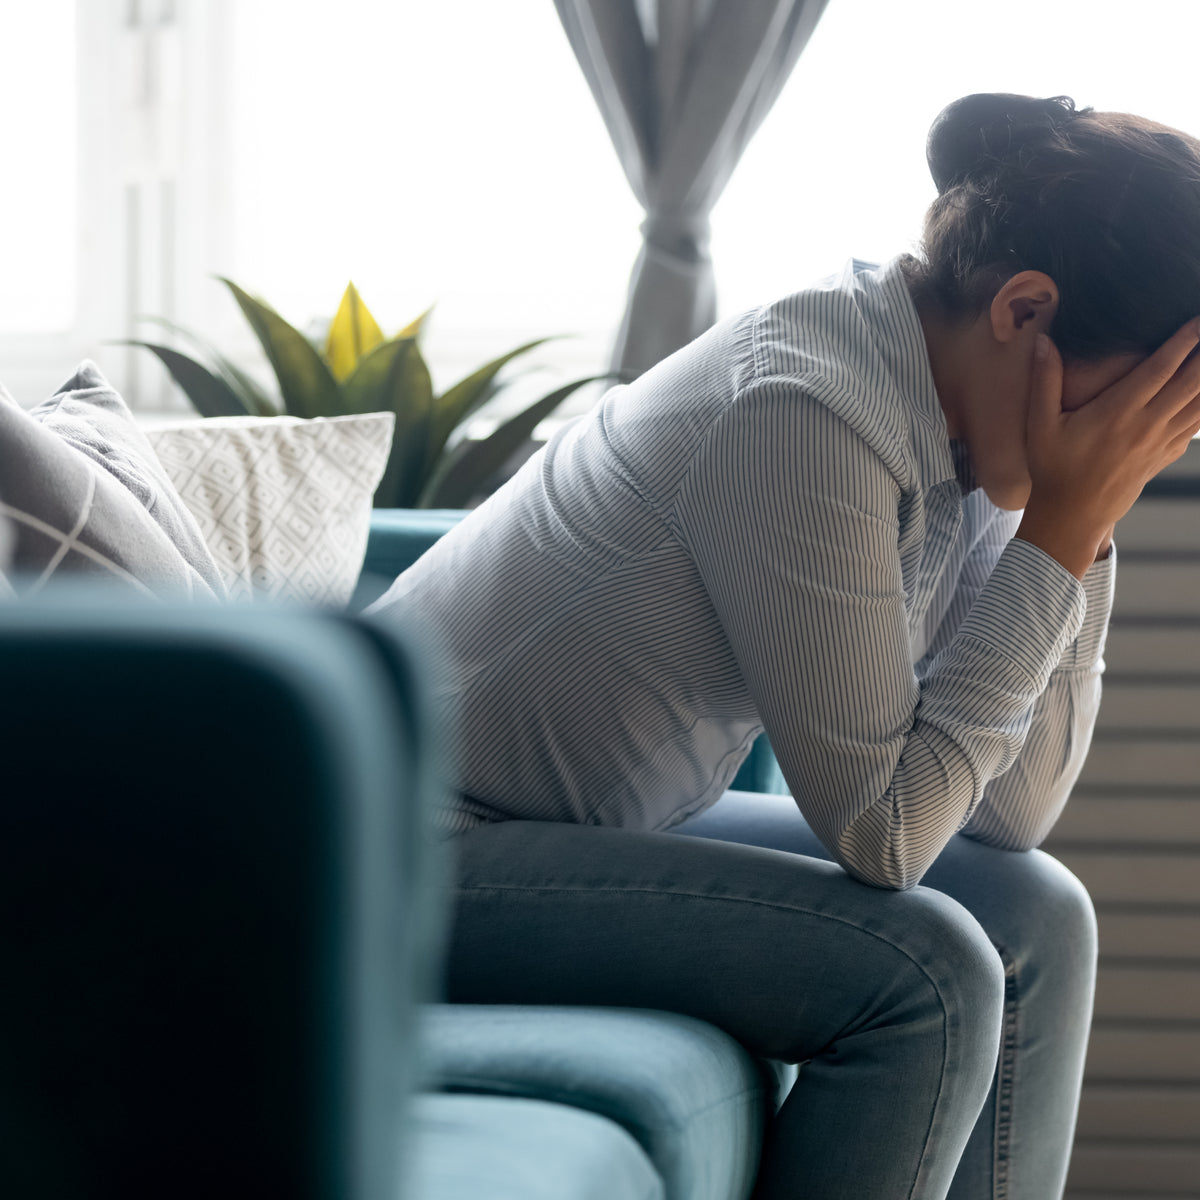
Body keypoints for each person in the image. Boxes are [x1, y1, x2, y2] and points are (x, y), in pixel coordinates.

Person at [369, 93, 1200, 1199]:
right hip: (395, 849)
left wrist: (1081, 529)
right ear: (1024, 308)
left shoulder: (970, 419)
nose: (1142, 443)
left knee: (1035, 913)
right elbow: (886, 836)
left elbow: (1011, 814)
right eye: (1148, 401)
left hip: (561, 823)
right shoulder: (807, 408)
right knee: (928, 973)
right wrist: (1061, 528)